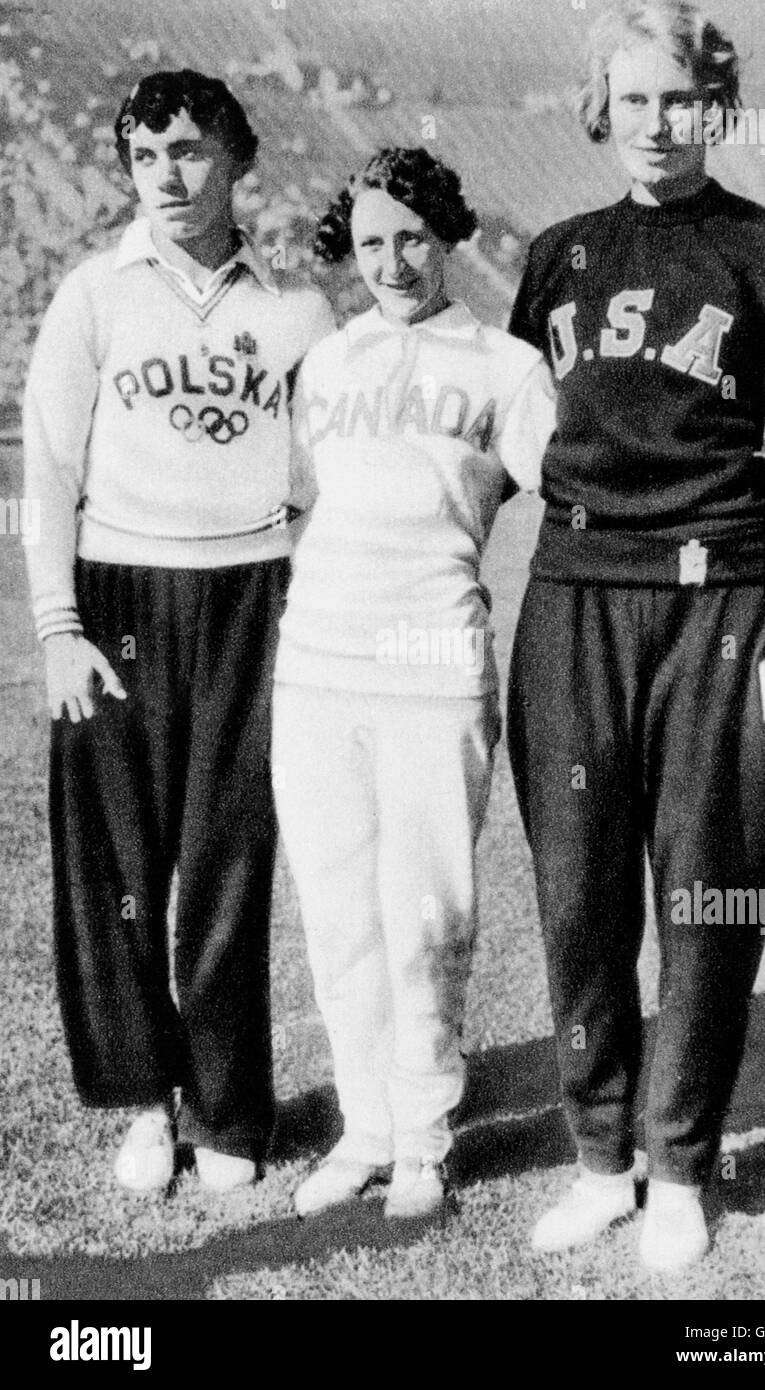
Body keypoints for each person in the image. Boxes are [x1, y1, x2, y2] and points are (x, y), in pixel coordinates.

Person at [506, 0, 765, 1272]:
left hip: (723, 602)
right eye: (632, 100)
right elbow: (499, 436)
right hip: (574, 598)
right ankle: (602, 1158)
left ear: (716, 106)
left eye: (680, 101)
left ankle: (683, 1165)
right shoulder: (557, 257)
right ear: (603, 105)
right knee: (578, 894)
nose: (656, 125)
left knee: (710, 895)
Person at [23, 69, 334, 1194]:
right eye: (147, 156)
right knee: (113, 864)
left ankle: (229, 1106)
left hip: (252, 598)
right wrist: (59, 628)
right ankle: (143, 1103)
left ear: (237, 160)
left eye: (192, 151)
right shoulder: (92, 296)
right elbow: (49, 476)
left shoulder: (296, 307)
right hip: (117, 601)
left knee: (227, 859)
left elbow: (319, 481)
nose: (168, 174)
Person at [271, 147, 557, 1219]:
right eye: (375, 240)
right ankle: (366, 1125)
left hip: (434, 656)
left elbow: (575, 494)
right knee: (339, 912)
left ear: (446, 237)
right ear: (352, 247)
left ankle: (426, 1135)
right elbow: (293, 504)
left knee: (426, 910)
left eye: (413, 237)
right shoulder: (330, 362)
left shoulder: (504, 365)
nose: (394, 260)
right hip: (318, 665)